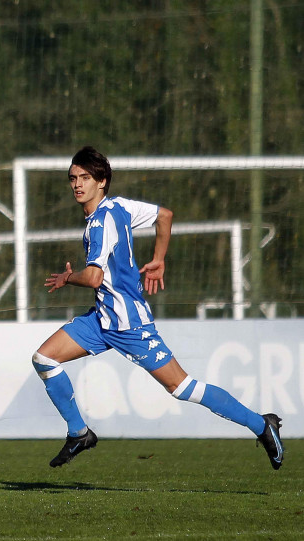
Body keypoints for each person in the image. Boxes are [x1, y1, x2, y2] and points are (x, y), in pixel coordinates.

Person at [33, 146, 284, 470]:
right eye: (73, 178)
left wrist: (69, 277)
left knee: (183, 388)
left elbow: (94, 277)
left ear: (102, 181)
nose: (77, 184)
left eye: (85, 177)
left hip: (130, 325)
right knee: (44, 358)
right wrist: (159, 258)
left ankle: (262, 425)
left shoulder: (99, 224)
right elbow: (165, 216)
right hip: (102, 319)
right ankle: (79, 433)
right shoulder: (120, 207)